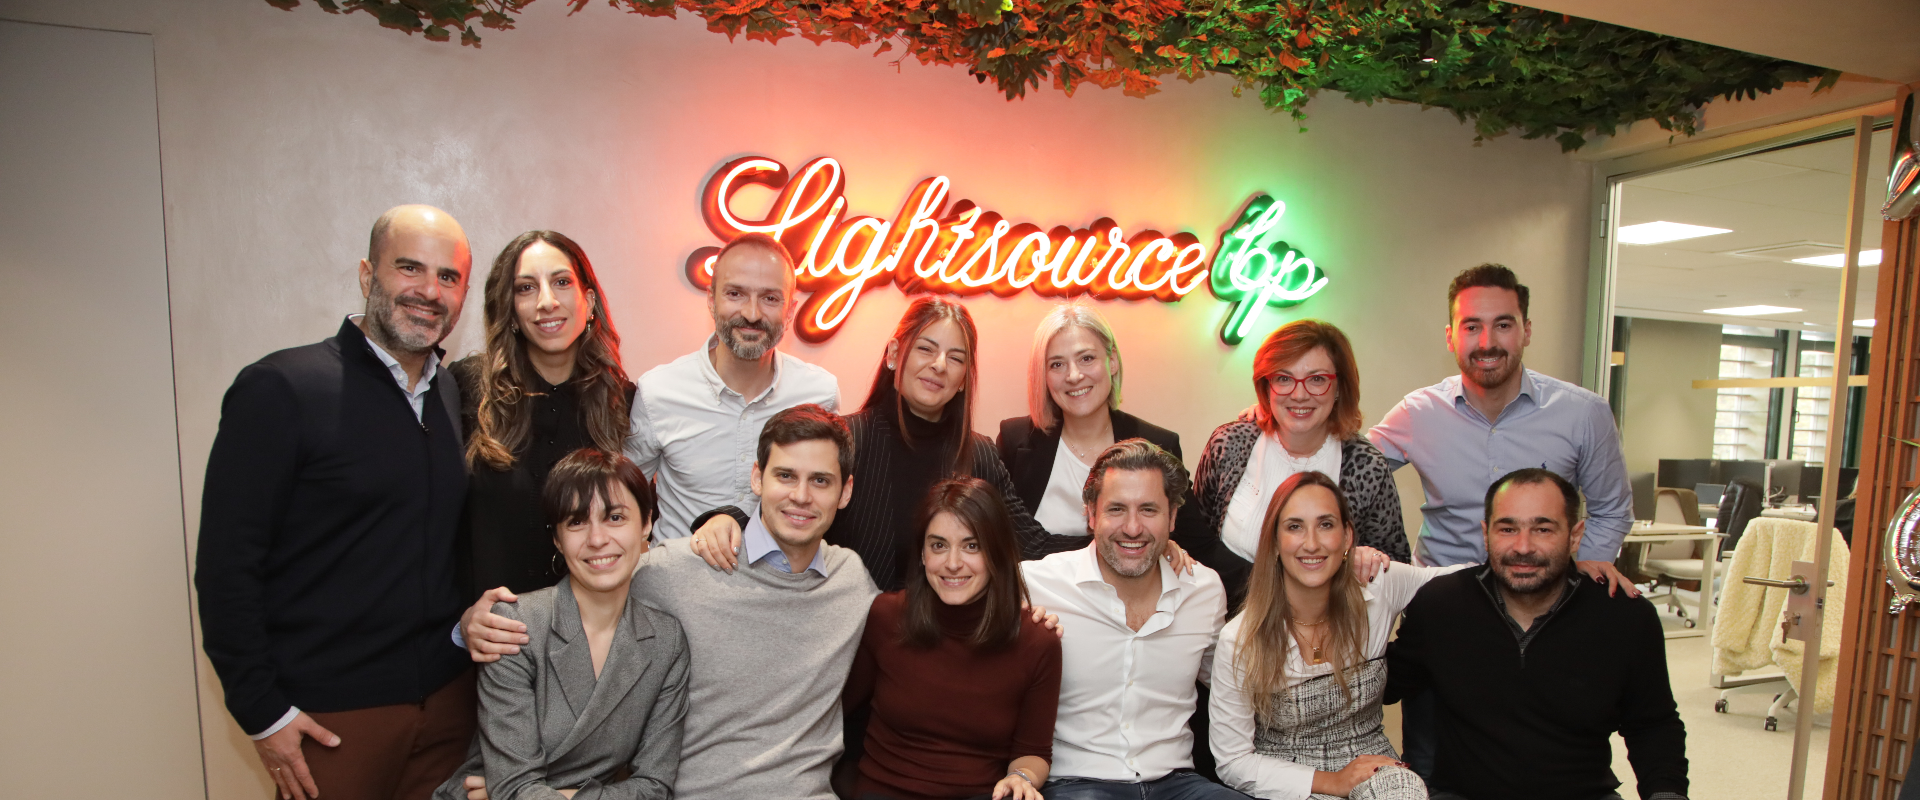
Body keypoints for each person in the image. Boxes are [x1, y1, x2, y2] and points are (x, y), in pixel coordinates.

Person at [196, 205, 477, 800]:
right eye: (409, 268)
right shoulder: (284, 387)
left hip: (448, 709)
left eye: (448, 277)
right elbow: (226, 568)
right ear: (367, 274)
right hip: (331, 719)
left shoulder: (449, 392)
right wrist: (262, 711)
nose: (429, 291)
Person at [689, 296, 1120, 592]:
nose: (938, 366)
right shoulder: (847, 437)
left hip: (945, 655)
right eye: (925, 349)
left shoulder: (981, 454)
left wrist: (1122, 539)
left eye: (956, 358)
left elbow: (1033, 547)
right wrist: (724, 518)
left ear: (965, 377)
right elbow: (792, 509)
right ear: (895, 354)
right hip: (849, 650)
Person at [1385, 469, 1689, 800]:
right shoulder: (1440, 606)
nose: (1523, 547)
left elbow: (1653, 725)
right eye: (1507, 529)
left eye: (1542, 529)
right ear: (1486, 533)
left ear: (1575, 536)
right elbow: (1376, 687)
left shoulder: (1625, 617)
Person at [432, 449, 687, 800]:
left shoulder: (665, 640)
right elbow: (514, 787)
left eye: (615, 517)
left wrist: (565, 795)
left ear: (646, 523)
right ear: (557, 539)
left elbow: (655, 788)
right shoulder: (516, 625)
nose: (597, 539)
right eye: (576, 522)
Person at [1210, 471, 1464, 800]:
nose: (1312, 543)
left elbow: (1463, 582)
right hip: (1285, 777)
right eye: (1294, 526)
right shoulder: (1240, 638)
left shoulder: (1378, 585)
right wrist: (1333, 782)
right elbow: (1233, 761)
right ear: (1274, 541)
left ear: (1347, 537)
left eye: (1326, 525)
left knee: (1407, 791)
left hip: (1371, 765)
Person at [1366, 264, 1632, 572]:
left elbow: (1612, 509)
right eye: (1472, 327)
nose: (1487, 342)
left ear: (1526, 331)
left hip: (1542, 602)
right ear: (1451, 337)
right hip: (1441, 599)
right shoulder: (1417, 413)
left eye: (1503, 325)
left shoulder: (1584, 413)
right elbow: (1347, 472)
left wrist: (1585, 572)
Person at [1022, 438, 1246, 800]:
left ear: (1172, 517)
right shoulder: (1035, 583)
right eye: (1116, 509)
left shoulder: (1203, 590)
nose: (1131, 527)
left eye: (1148, 510)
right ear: (1090, 514)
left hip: (1178, 783)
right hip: (1076, 783)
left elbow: (1230, 680)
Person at [450, 232, 636, 661]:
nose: (547, 301)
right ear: (510, 310)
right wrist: (461, 618)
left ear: (588, 300)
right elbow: (439, 523)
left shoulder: (621, 401)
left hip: (594, 645)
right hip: (495, 642)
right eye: (526, 288)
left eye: (562, 282)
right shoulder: (466, 389)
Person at [844, 477, 1063, 800]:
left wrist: (1021, 777)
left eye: (971, 545)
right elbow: (833, 708)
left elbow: (1034, 752)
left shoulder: (1037, 642)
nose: (953, 563)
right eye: (938, 545)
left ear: (996, 553)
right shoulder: (885, 617)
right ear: (921, 554)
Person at [625, 232, 839, 540]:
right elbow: (622, 503)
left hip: (780, 585)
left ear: (789, 311)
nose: (752, 314)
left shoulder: (820, 394)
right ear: (711, 301)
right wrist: (644, 569)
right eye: (735, 294)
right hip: (678, 583)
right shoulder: (659, 392)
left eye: (769, 298)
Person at [1189, 320, 1409, 613]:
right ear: (1266, 387)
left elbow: (1395, 569)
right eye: (1283, 378)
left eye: (1317, 379)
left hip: (1324, 638)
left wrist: (1368, 560)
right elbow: (1194, 545)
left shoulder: (1367, 464)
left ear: (1339, 387)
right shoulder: (1229, 444)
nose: (1299, 394)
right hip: (1223, 631)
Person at [997, 302, 1192, 546]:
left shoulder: (1160, 445)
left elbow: (1197, 545)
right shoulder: (1014, 440)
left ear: (1112, 361)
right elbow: (1009, 541)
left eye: (1086, 358)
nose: (1074, 375)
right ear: (1043, 376)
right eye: (1057, 364)